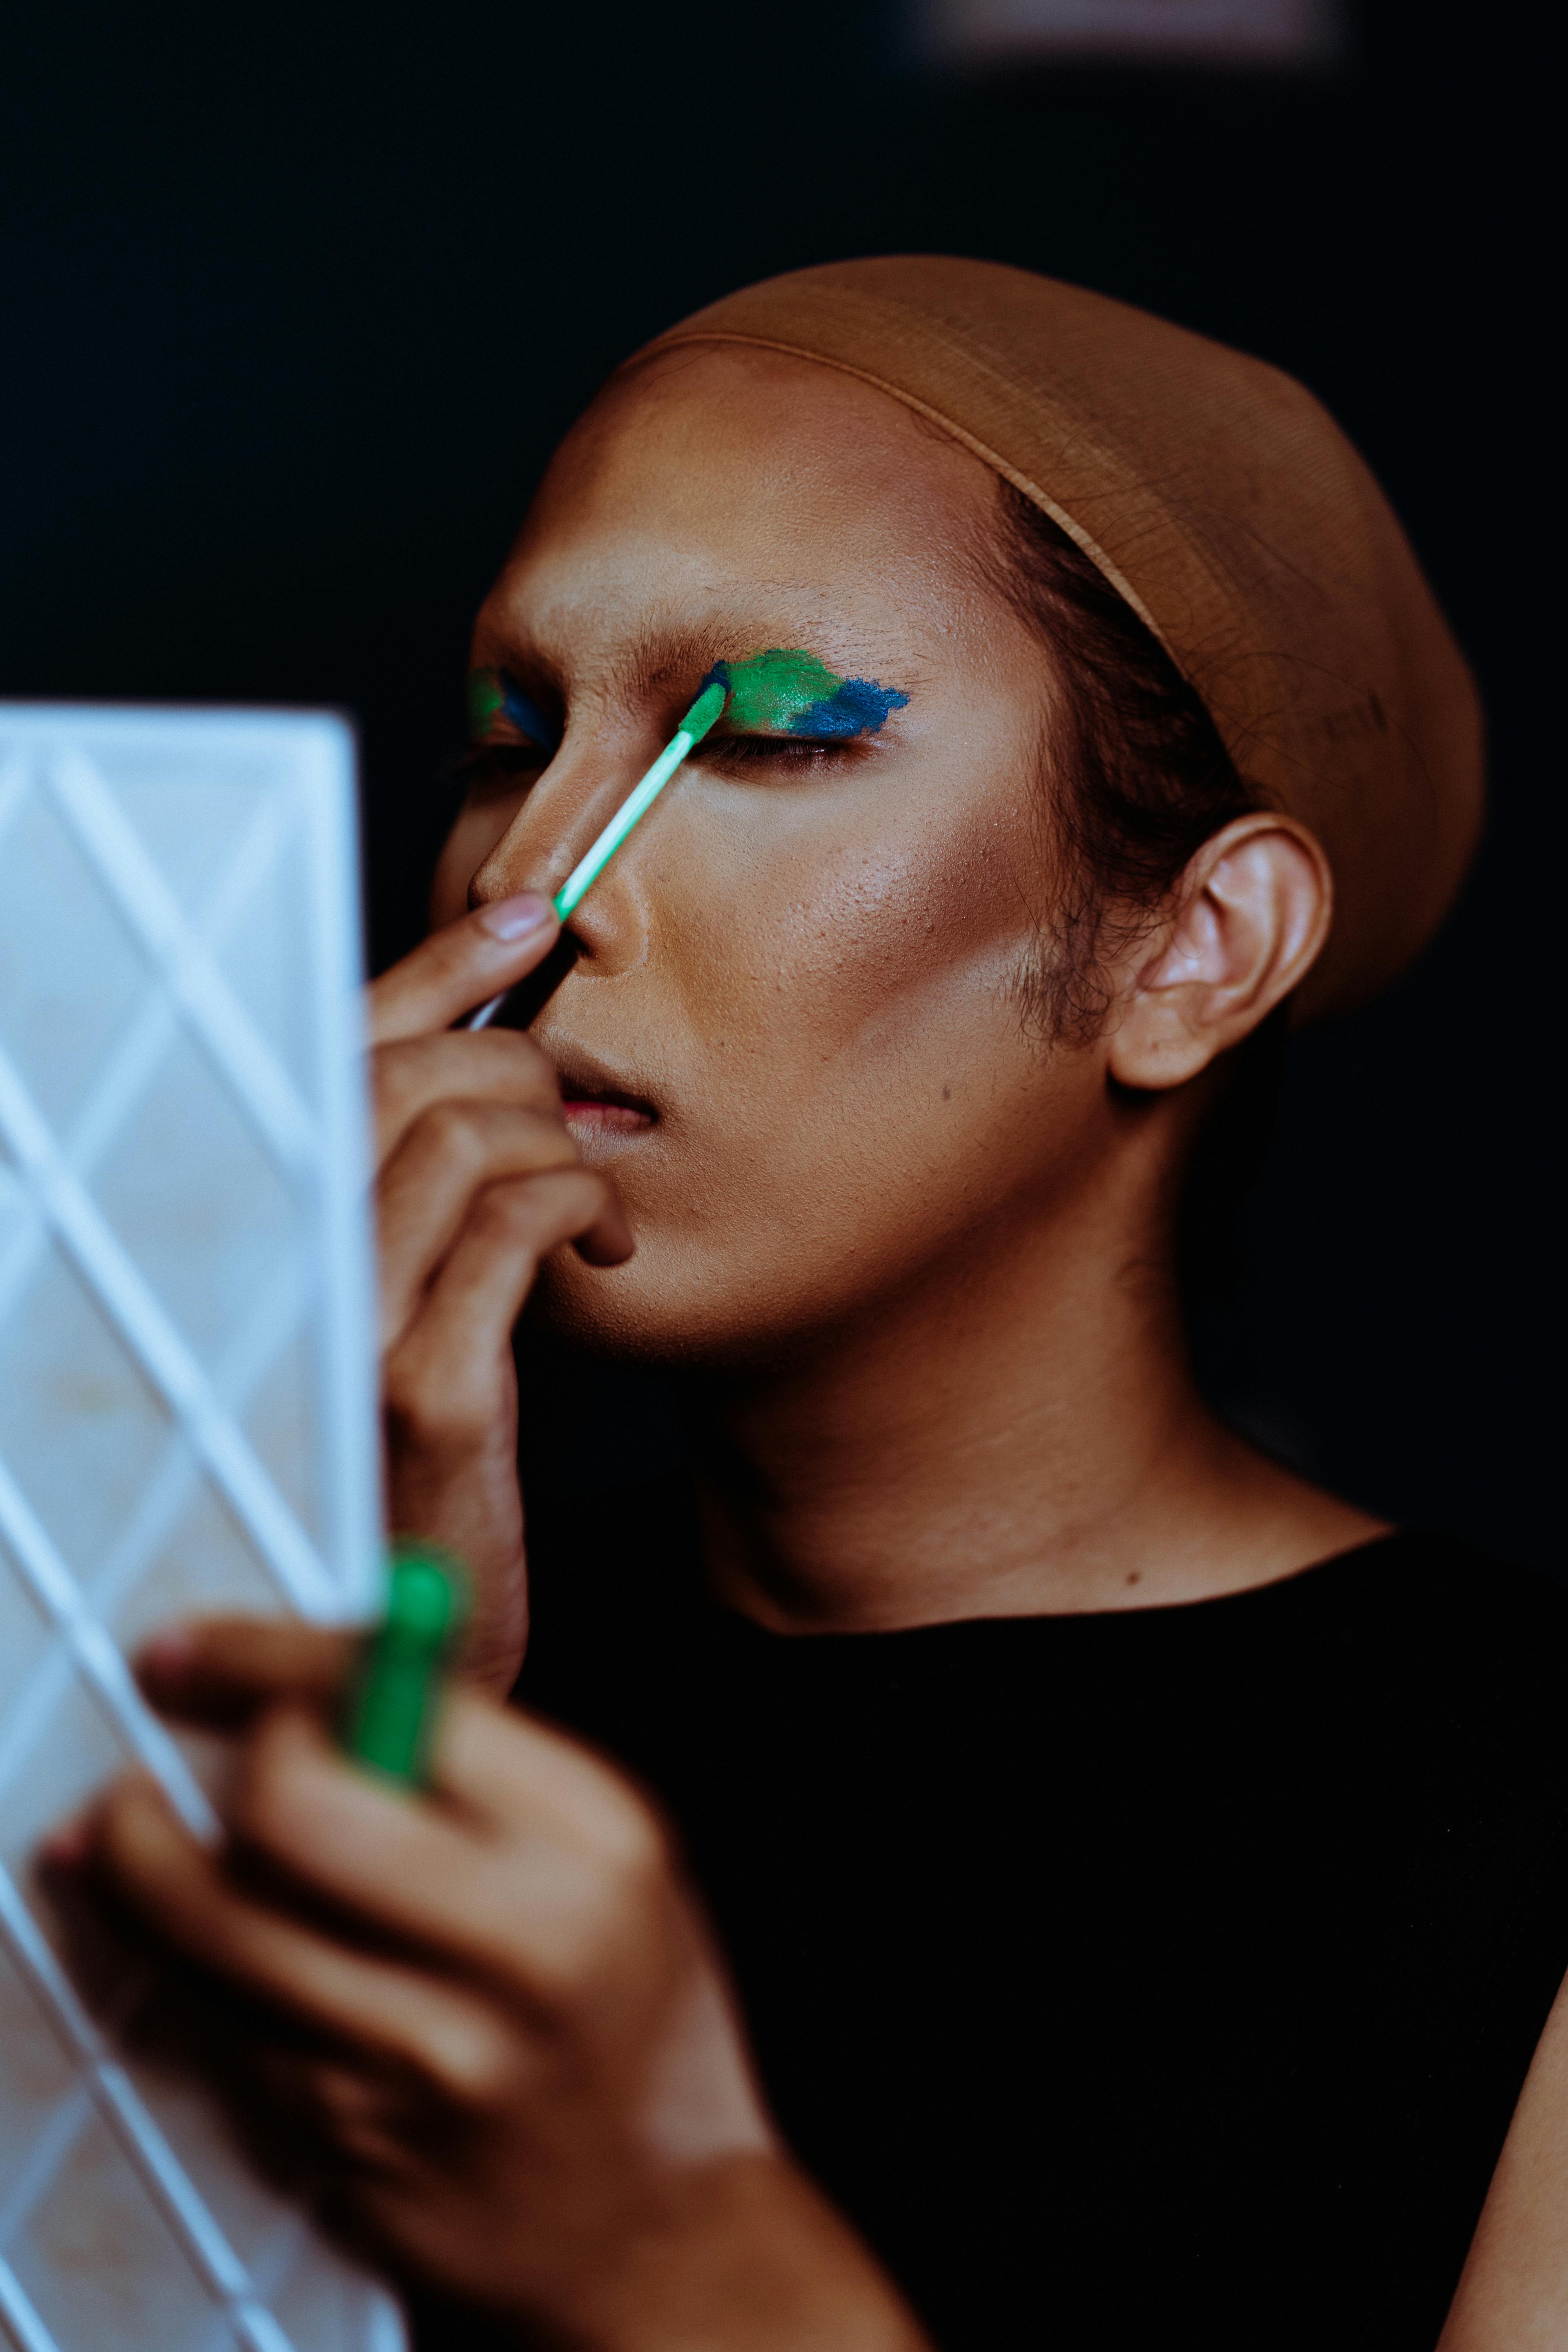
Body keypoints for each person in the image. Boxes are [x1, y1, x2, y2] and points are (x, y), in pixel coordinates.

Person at [58, 260, 1568, 2350]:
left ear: (1196, 949)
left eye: (754, 739)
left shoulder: (1520, 1815)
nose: (542, 897)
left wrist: (683, 2262)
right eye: (509, 740)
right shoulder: (395, 1655)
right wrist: (256, 1599)